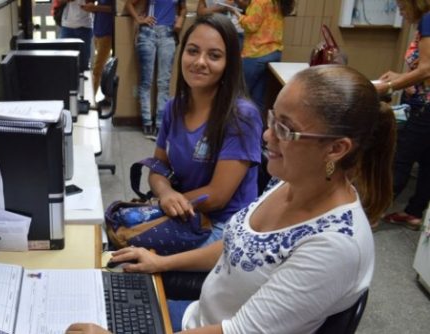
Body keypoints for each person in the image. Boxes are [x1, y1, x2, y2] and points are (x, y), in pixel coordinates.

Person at [67, 65, 396, 333]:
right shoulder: (289, 180)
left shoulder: (336, 247)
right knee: (86, 304)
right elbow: (237, 244)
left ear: (337, 149)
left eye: (285, 129)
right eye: (272, 119)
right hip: (198, 318)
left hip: (218, 329)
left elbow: (238, 331)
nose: (267, 135)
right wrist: (160, 263)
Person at [150, 14, 262, 252]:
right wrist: (165, 193)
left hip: (224, 228)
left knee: (132, 252)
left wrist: (168, 205)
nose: (200, 62)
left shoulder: (242, 116)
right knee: (119, 234)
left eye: (214, 56)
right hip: (185, 213)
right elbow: (158, 166)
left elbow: (217, 196)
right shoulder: (174, 107)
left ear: (229, 63)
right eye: (192, 51)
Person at [374, 0, 430, 231]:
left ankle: (373, 214)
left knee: (399, 159)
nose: (399, 10)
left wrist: (389, 87)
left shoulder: (428, 20)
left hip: (425, 106)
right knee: (428, 162)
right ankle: (414, 213)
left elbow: (427, 69)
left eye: (401, 5)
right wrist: (398, 77)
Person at [126, 0, 187, 139]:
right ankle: (147, 122)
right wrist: (139, 20)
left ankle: (160, 124)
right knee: (146, 82)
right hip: (148, 33)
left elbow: (183, 8)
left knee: (163, 83)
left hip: (168, 34)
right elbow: (129, 4)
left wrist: (181, 18)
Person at [228, 0, 294, 111]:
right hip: (274, 52)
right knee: (259, 98)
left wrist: (236, 13)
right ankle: (257, 127)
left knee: (239, 94)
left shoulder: (259, 1)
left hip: (256, 53)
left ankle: (236, 126)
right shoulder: (277, 2)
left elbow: (251, 25)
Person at [81, 0, 115, 99]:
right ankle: (108, 97)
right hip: (98, 31)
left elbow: (114, 9)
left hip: (107, 32)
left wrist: (96, 8)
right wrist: (91, 9)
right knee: (103, 67)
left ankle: (91, 99)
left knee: (97, 69)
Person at [60, 0, 94, 71]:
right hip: (67, 25)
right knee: (65, 60)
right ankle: (67, 81)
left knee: (84, 62)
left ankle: (82, 81)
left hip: (85, 26)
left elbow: (92, 3)